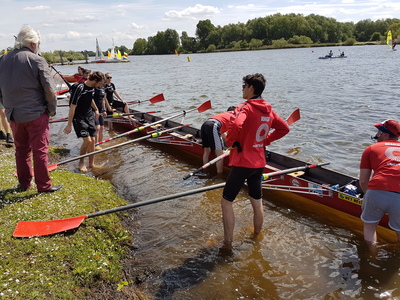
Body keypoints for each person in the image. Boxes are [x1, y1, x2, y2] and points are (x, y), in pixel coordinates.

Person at [220, 73, 290, 251]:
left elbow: (236, 125)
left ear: (251, 88)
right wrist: (265, 141)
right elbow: (284, 128)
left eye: (243, 87)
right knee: (256, 200)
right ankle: (257, 236)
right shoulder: (268, 110)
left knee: (226, 201)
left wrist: (230, 142)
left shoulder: (245, 107)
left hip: (243, 162)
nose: (242, 90)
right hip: (259, 163)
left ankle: (227, 243)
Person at [0, 25, 61, 192]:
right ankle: (44, 186)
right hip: (36, 113)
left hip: (14, 114)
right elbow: (49, 89)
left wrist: (7, 105)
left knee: (21, 151)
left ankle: (24, 184)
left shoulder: (2, 59)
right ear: (34, 43)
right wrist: (51, 109)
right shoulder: (37, 60)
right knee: (40, 151)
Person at [359, 119, 400, 244]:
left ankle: (371, 257)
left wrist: (368, 196)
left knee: (370, 227)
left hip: (377, 191)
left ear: (385, 134)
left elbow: (363, 181)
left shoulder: (371, 149)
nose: (376, 135)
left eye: (379, 132)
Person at [63, 71, 105, 172]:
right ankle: (81, 163)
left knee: (93, 141)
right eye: (100, 83)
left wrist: (96, 109)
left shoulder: (93, 88)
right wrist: (69, 125)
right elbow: (72, 107)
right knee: (88, 141)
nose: (101, 86)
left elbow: (90, 99)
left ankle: (91, 164)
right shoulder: (79, 88)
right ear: (95, 80)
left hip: (89, 116)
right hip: (78, 117)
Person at [200, 106, 235, 174]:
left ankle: (205, 170)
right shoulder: (234, 116)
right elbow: (232, 135)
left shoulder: (223, 115)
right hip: (213, 125)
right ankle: (219, 175)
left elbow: (222, 134)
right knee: (220, 155)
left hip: (205, 124)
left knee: (207, 150)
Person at [93, 85, 106, 150]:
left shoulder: (103, 88)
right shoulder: (94, 89)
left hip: (101, 111)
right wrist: (95, 110)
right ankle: (96, 144)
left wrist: (104, 110)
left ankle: (101, 143)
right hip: (94, 111)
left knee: (102, 128)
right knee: (97, 128)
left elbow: (103, 100)